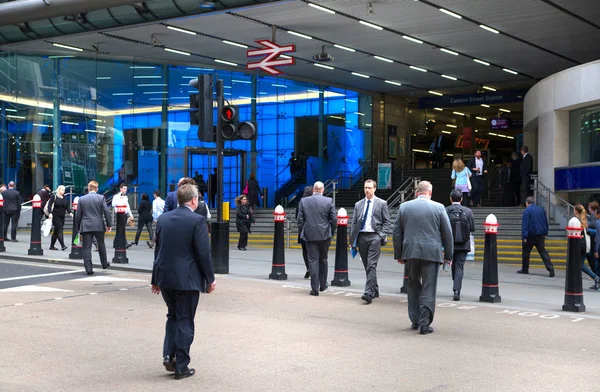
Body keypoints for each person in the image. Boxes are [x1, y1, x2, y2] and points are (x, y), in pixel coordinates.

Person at [151, 184, 216, 380]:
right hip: (187, 279)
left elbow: (158, 250)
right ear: (194, 200)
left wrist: (155, 279)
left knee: (172, 316)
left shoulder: (163, 219)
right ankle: (181, 366)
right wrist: (210, 279)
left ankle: (168, 355)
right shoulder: (197, 221)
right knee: (185, 320)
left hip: (165, 278)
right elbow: (203, 253)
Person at [393, 181, 453, 335]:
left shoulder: (404, 207)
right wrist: (449, 255)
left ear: (416, 192)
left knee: (413, 285)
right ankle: (425, 324)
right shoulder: (439, 207)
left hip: (411, 252)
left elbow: (397, 232)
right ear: (430, 192)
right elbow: (447, 233)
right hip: (431, 253)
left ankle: (415, 319)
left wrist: (399, 254)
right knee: (429, 286)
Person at [349, 179, 391, 304]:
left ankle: (368, 293)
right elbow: (354, 223)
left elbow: (387, 222)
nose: (367, 190)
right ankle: (375, 289)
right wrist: (352, 240)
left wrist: (380, 236)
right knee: (367, 266)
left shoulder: (382, 203)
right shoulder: (358, 204)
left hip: (374, 237)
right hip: (362, 237)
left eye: (369, 188)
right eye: (365, 188)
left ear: (374, 189)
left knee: (371, 265)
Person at [297, 181, 336, 296]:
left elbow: (300, 220)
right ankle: (323, 285)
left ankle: (314, 288)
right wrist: (331, 232)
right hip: (324, 235)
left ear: (313, 190)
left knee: (312, 261)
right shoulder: (329, 201)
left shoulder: (304, 201)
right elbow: (333, 220)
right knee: (323, 259)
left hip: (309, 235)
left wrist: (304, 230)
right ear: (323, 190)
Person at [75, 181, 112, 275]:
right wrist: (109, 224)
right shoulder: (101, 198)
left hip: (86, 226)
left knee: (86, 248)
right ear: (97, 188)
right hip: (98, 225)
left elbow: (78, 215)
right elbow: (106, 211)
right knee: (101, 244)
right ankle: (104, 264)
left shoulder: (82, 199)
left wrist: (78, 227)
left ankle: (88, 268)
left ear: (88, 188)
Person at [445, 189, 475, 301]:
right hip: (463, 243)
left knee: (453, 264)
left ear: (450, 199)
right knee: (459, 266)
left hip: (450, 243)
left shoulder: (446, 210)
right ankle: (457, 290)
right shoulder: (468, 211)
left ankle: (455, 284)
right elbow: (472, 228)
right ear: (461, 199)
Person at [518, 197, 555, 277]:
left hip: (530, 235)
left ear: (527, 203)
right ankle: (550, 266)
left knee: (526, 252)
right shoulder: (541, 209)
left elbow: (525, 224)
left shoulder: (527, 211)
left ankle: (525, 269)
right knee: (542, 251)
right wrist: (545, 232)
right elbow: (545, 221)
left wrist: (524, 236)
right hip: (541, 234)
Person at [574, 204, 600, 290]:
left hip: (580, 245)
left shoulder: (576, 221)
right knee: (579, 264)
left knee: (580, 264)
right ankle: (595, 278)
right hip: (585, 245)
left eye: (574, 210)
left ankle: (596, 278)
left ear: (576, 211)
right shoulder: (584, 220)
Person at [296, 186, 314, 279]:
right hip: (313, 229)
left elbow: (298, 218)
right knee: (313, 251)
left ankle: (308, 267)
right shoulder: (314, 202)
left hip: (303, 230)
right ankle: (313, 268)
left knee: (305, 251)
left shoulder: (300, 202)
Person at [47, 185, 73, 251]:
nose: (63, 191)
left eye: (64, 190)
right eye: (62, 189)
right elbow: (49, 205)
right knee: (60, 229)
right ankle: (63, 245)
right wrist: (50, 213)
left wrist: (70, 212)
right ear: (58, 190)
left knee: (56, 231)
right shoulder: (54, 196)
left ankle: (51, 246)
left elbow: (67, 206)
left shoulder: (64, 198)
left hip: (62, 216)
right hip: (55, 216)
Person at [587, 201, 599, 276]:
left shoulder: (593, 215)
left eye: (589, 207)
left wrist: (587, 225)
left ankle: (596, 278)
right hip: (595, 238)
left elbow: (594, 225)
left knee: (593, 261)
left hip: (593, 240)